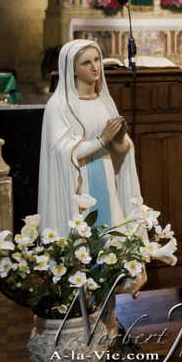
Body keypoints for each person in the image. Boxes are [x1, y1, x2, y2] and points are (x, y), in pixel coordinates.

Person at [38, 39, 142, 236]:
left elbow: (120, 152)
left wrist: (119, 139)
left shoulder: (104, 102)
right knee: (85, 240)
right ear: (72, 69)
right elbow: (62, 150)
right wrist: (101, 140)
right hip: (79, 180)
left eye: (97, 60)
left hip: (106, 173)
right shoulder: (59, 105)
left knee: (111, 230)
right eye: (86, 63)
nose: (95, 67)